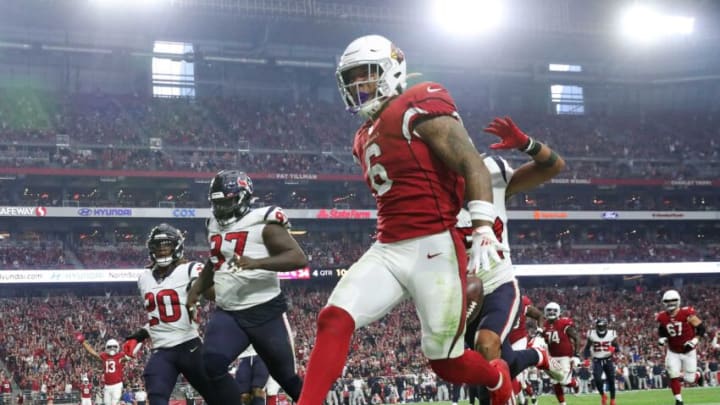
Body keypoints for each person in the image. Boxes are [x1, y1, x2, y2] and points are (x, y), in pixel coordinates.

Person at [297, 34, 512, 405]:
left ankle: (496, 377)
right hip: (388, 246)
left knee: (446, 362)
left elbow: (469, 162)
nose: (357, 86)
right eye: (350, 79)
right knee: (333, 318)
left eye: (365, 74)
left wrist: (481, 227)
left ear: (391, 69)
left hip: (434, 246)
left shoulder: (419, 101)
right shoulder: (361, 137)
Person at [457, 117, 566, 405]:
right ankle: (537, 355)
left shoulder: (492, 172)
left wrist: (526, 144)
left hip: (498, 281)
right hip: (458, 292)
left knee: (486, 347)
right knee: (485, 367)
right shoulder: (429, 190)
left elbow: (554, 166)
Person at [187, 170, 306, 405]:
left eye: (227, 201)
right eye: (217, 202)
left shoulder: (264, 223)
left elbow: (298, 258)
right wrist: (196, 289)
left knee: (287, 378)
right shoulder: (212, 224)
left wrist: (258, 263)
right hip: (230, 311)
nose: (221, 208)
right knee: (210, 363)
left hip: (265, 312)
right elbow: (215, 260)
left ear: (242, 198)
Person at [121, 223, 218, 405]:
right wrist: (140, 335)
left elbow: (210, 294)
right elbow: (161, 318)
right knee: (156, 394)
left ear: (177, 247)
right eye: (158, 247)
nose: (162, 251)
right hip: (162, 350)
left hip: (190, 346)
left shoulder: (191, 269)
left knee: (216, 395)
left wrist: (203, 286)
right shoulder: (144, 278)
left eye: (167, 246)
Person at [656, 289, 706, 405]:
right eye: (667, 301)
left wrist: (694, 340)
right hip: (673, 351)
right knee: (672, 374)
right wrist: (662, 338)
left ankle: (698, 375)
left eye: (673, 300)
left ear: (678, 301)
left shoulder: (686, 313)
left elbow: (701, 328)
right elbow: (662, 330)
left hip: (688, 351)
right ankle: (679, 400)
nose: (670, 303)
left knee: (690, 379)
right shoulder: (662, 317)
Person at [541, 302, 580, 405]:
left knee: (564, 381)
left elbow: (576, 338)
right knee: (555, 382)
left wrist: (576, 355)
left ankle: (576, 383)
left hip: (565, 357)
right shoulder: (543, 325)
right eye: (549, 310)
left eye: (554, 310)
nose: (551, 312)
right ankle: (562, 403)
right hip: (552, 357)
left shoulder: (564, 323)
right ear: (545, 311)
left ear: (558, 312)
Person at [76, 334, 128, 405]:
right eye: (110, 347)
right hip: (107, 385)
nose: (112, 348)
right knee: (107, 403)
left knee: (115, 403)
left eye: (114, 346)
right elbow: (93, 353)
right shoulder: (104, 356)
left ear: (117, 347)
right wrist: (84, 343)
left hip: (117, 384)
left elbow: (129, 356)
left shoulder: (120, 356)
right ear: (106, 347)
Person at [583, 318, 619, 405]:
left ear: (606, 326)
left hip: (608, 359)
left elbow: (617, 348)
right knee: (597, 379)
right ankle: (603, 395)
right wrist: (586, 359)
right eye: (599, 326)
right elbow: (587, 348)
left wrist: (614, 349)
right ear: (596, 326)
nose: (601, 328)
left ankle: (612, 400)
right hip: (597, 360)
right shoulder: (592, 334)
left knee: (611, 380)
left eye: (603, 326)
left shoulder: (612, 334)